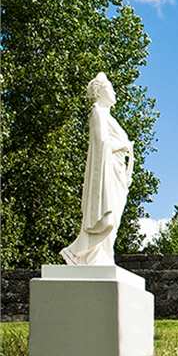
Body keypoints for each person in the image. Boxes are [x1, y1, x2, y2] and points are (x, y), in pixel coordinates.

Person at [60, 73, 134, 266]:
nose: (114, 92)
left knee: (114, 221)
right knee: (106, 219)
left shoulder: (109, 116)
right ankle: (78, 252)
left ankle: (103, 255)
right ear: (101, 91)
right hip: (106, 172)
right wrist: (123, 145)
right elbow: (101, 142)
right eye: (111, 88)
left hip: (117, 171)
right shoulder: (97, 112)